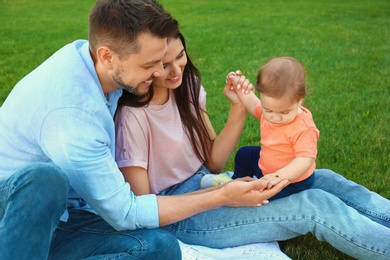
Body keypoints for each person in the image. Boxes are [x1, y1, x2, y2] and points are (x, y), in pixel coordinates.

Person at [1, 1, 285, 259]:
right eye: (150, 65)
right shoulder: (73, 113)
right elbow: (126, 212)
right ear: (107, 56)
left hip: (70, 215)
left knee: (160, 248)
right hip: (17, 214)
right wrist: (221, 196)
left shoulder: (99, 63)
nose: (162, 74)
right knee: (45, 179)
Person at [115, 32, 390, 259]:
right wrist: (222, 195)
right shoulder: (134, 117)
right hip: (181, 219)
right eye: (164, 64)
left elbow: (212, 162)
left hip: (207, 185)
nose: (177, 70)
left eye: (180, 56)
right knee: (314, 205)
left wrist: (239, 105)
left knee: (324, 179)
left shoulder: (187, 88)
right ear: (147, 65)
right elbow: (144, 207)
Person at [204, 57, 320, 201]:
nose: (274, 118)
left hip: (291, 182)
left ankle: (246, 193)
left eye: (284, 112)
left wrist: (278, 176)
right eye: (268, 110)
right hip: (266, 166)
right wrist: (238, 86)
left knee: (260, 195)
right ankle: (235, 183)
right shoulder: (270, 110)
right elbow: (253, 105)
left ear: (299, 99)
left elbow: (304, 160)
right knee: (244, 154)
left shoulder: (304, 127)